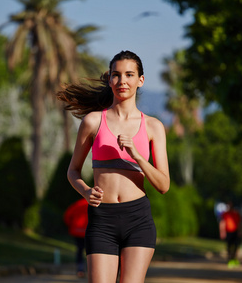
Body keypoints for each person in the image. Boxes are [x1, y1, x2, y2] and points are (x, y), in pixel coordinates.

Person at [57, 50, 170, 283]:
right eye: (116, 75)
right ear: (109, 80)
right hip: (102, 220)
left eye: (129, 74)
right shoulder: (93, 121)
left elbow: (163, 185)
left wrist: (137, 156)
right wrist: (86, 191)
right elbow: (73, 170)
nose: (122, 81)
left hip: (138, 219)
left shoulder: (153, 127)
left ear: (140, 80)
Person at [63, 198, 89, 278]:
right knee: (91, 252)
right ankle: (92, 270)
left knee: (80, 251)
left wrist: (71, 226)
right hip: (89, 231)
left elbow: (67, 216)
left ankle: (80, 270)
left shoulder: (77, 204)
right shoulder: (92, 204)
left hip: (77, 231)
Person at [219, 201, 242, 268]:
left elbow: (239, 223)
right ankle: (229, 258)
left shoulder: (236, 213)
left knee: (235, 246)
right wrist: (222, 232)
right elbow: (222, 223)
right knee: (228, 246)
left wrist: (240, 231)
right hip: (228, 232)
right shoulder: (225, 214)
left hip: (235, 231)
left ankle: (233, 258)